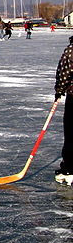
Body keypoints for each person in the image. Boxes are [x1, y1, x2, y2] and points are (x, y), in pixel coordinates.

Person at [55, 36, 73, 183]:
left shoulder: (71, 50)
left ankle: (69, 168)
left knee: (71, 132)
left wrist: (59, 90)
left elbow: (64, 72)